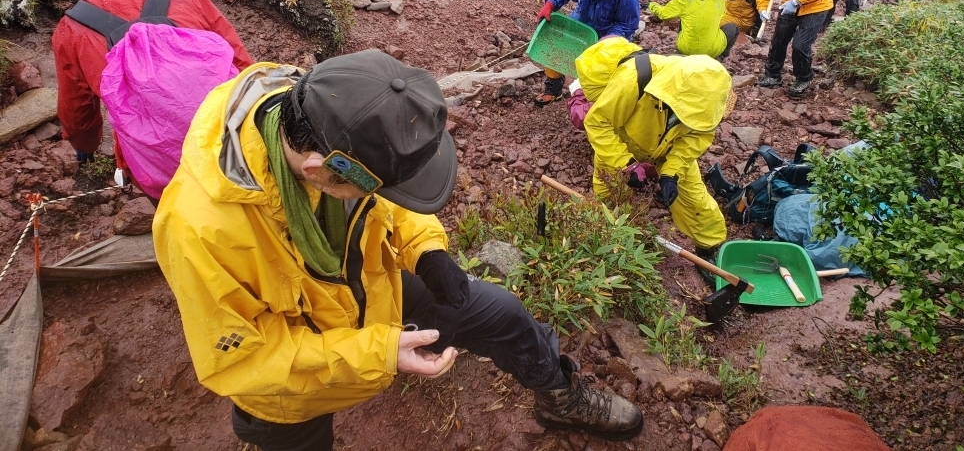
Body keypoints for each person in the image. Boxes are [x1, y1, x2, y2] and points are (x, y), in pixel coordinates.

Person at [152, 51, 643, 450]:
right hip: (287, 385)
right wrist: (379, 351)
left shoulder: (330, 106)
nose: (389, 194)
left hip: (369, 283)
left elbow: (388, 198)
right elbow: (241, 363)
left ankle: (558, 396)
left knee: (503, 312)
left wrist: (426, 248)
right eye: (383, 185)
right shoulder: (198, 228)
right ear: (322, 171)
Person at [53, 0, 252, 168]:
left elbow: (77, 107)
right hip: (228, 142)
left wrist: (85, 145)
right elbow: (240, 62)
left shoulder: (71, 29)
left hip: (154, 164)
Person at [575, 43, 731, 280]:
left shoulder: (710, 103)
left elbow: (697, 138)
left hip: (670, 147)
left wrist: (671, 173)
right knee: (610, 194)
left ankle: (708, 248)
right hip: (624, 139)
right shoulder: (633, 79)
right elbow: (598, 123)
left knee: (694, 198)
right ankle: (606, 237)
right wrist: (626, 164)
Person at [534, 0, 640, 106]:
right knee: (558, 46)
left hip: (611, 31)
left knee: (605, 65)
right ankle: (553, 90)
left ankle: (597, 99)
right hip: (582, 19)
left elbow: (627, 25)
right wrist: (550, 4)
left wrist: (608, 40)